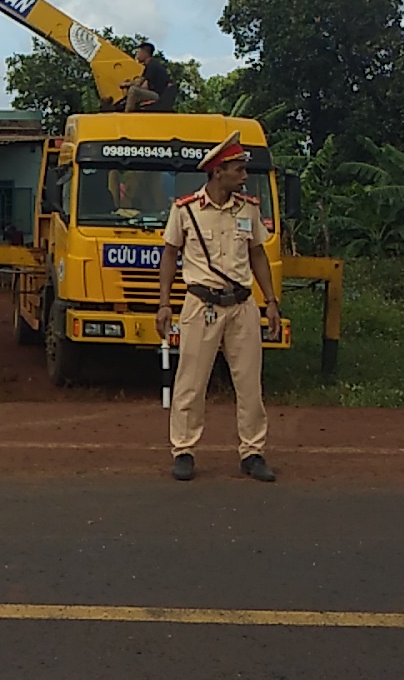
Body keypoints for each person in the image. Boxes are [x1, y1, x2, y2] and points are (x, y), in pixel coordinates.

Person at [157, 130, 280, 483]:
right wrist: (164, 303)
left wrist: (270, 301)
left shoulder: (249, 210)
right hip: (200, 303)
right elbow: (169, 254)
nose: (244, 176)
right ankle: (183, 449)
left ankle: (252, 451)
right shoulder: (185, 210)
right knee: (191, 382)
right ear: (218, 172)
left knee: (249, 384)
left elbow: (258, 254)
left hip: (242, 305)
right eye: (238, 169)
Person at [122, 41, 175, 113]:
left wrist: (125, 84)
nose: (137, 55)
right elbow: (144, 85)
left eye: (138, 53)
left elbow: (139, 83)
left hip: (157, 96)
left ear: (145, 53)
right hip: (154, 93)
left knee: (133, 90)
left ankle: (127, 114)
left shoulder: (152, 66)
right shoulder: (150, 66)